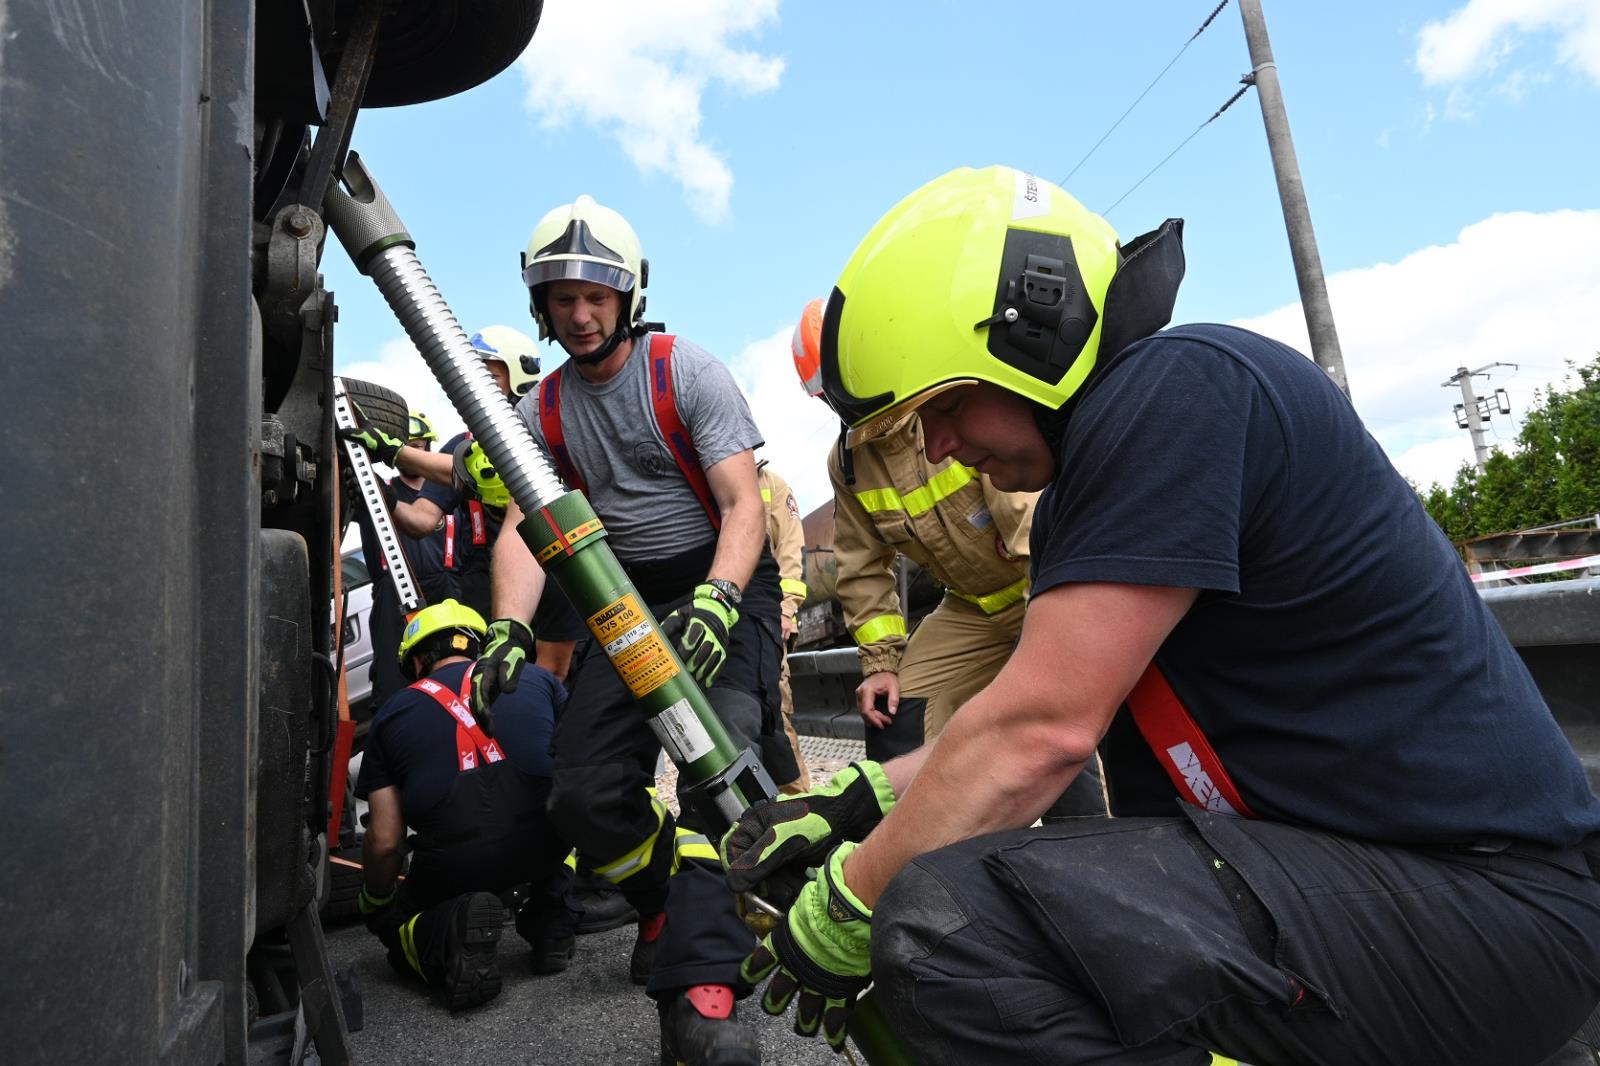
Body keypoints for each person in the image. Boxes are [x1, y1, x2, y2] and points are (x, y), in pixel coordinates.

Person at [720, 166, 1600, 1064]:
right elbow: (1038, 701)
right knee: (990, 902)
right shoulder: (1089, 487)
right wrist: (870, 793)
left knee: (948, 929)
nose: (939, 446)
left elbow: (1040, 733)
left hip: (1483, 907)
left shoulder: (1176, 391)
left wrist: (852, 898)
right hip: (1370, 895)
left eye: (944, 406)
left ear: (1034, 331)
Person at [477, 193, 793, 1065]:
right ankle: (661, 901)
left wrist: (722, 599)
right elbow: (519, 528)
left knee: (716, 773)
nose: (579, 315)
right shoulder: (540, 411)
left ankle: (706, 989)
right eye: (561, 297)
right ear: (540, 305)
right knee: (581, 791)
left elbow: (743, 505)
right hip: (621, 601)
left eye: (596, 296)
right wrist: (506, 626)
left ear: (628, 296)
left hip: (722, 584)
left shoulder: (685, 372)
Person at [791, 297, 1043, 764]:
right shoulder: (848, 463)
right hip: (972, 609)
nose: (847, 405)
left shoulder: (952, 411)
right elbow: (861, 565)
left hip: (1036, 590)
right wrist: (881, 663)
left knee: (1044, 710)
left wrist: (1049, 625)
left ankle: (1078, 833)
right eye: (832, 398)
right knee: (901, 710)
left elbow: (1027, 522)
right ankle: (917, 834)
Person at [354, 599, 575, 1010]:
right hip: (547, 843)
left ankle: (450, 929)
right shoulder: (537, 679)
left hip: (456, 861)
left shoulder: (390, 715)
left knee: (398, 929)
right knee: (559, 819)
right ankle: (552, 922)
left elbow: (385, 840)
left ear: (417, 662)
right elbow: (578, 766)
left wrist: (376, 899)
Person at [342, 328, 585, 682]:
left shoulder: (550, 431)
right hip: (484, 584)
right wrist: (383, 495)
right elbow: (422, 520)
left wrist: (395, 451)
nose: (474, 386)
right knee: (490, 677)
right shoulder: (463, 443)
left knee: (551, 676)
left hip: (555, 571)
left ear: (519, 376)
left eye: (488, 373)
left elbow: (486, 468)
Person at [756, 458, 811, 793]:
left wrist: (785, 611)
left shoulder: (772, 485)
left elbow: (790, 553)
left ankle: (799, 808)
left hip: (765, 623)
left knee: (776, 723)